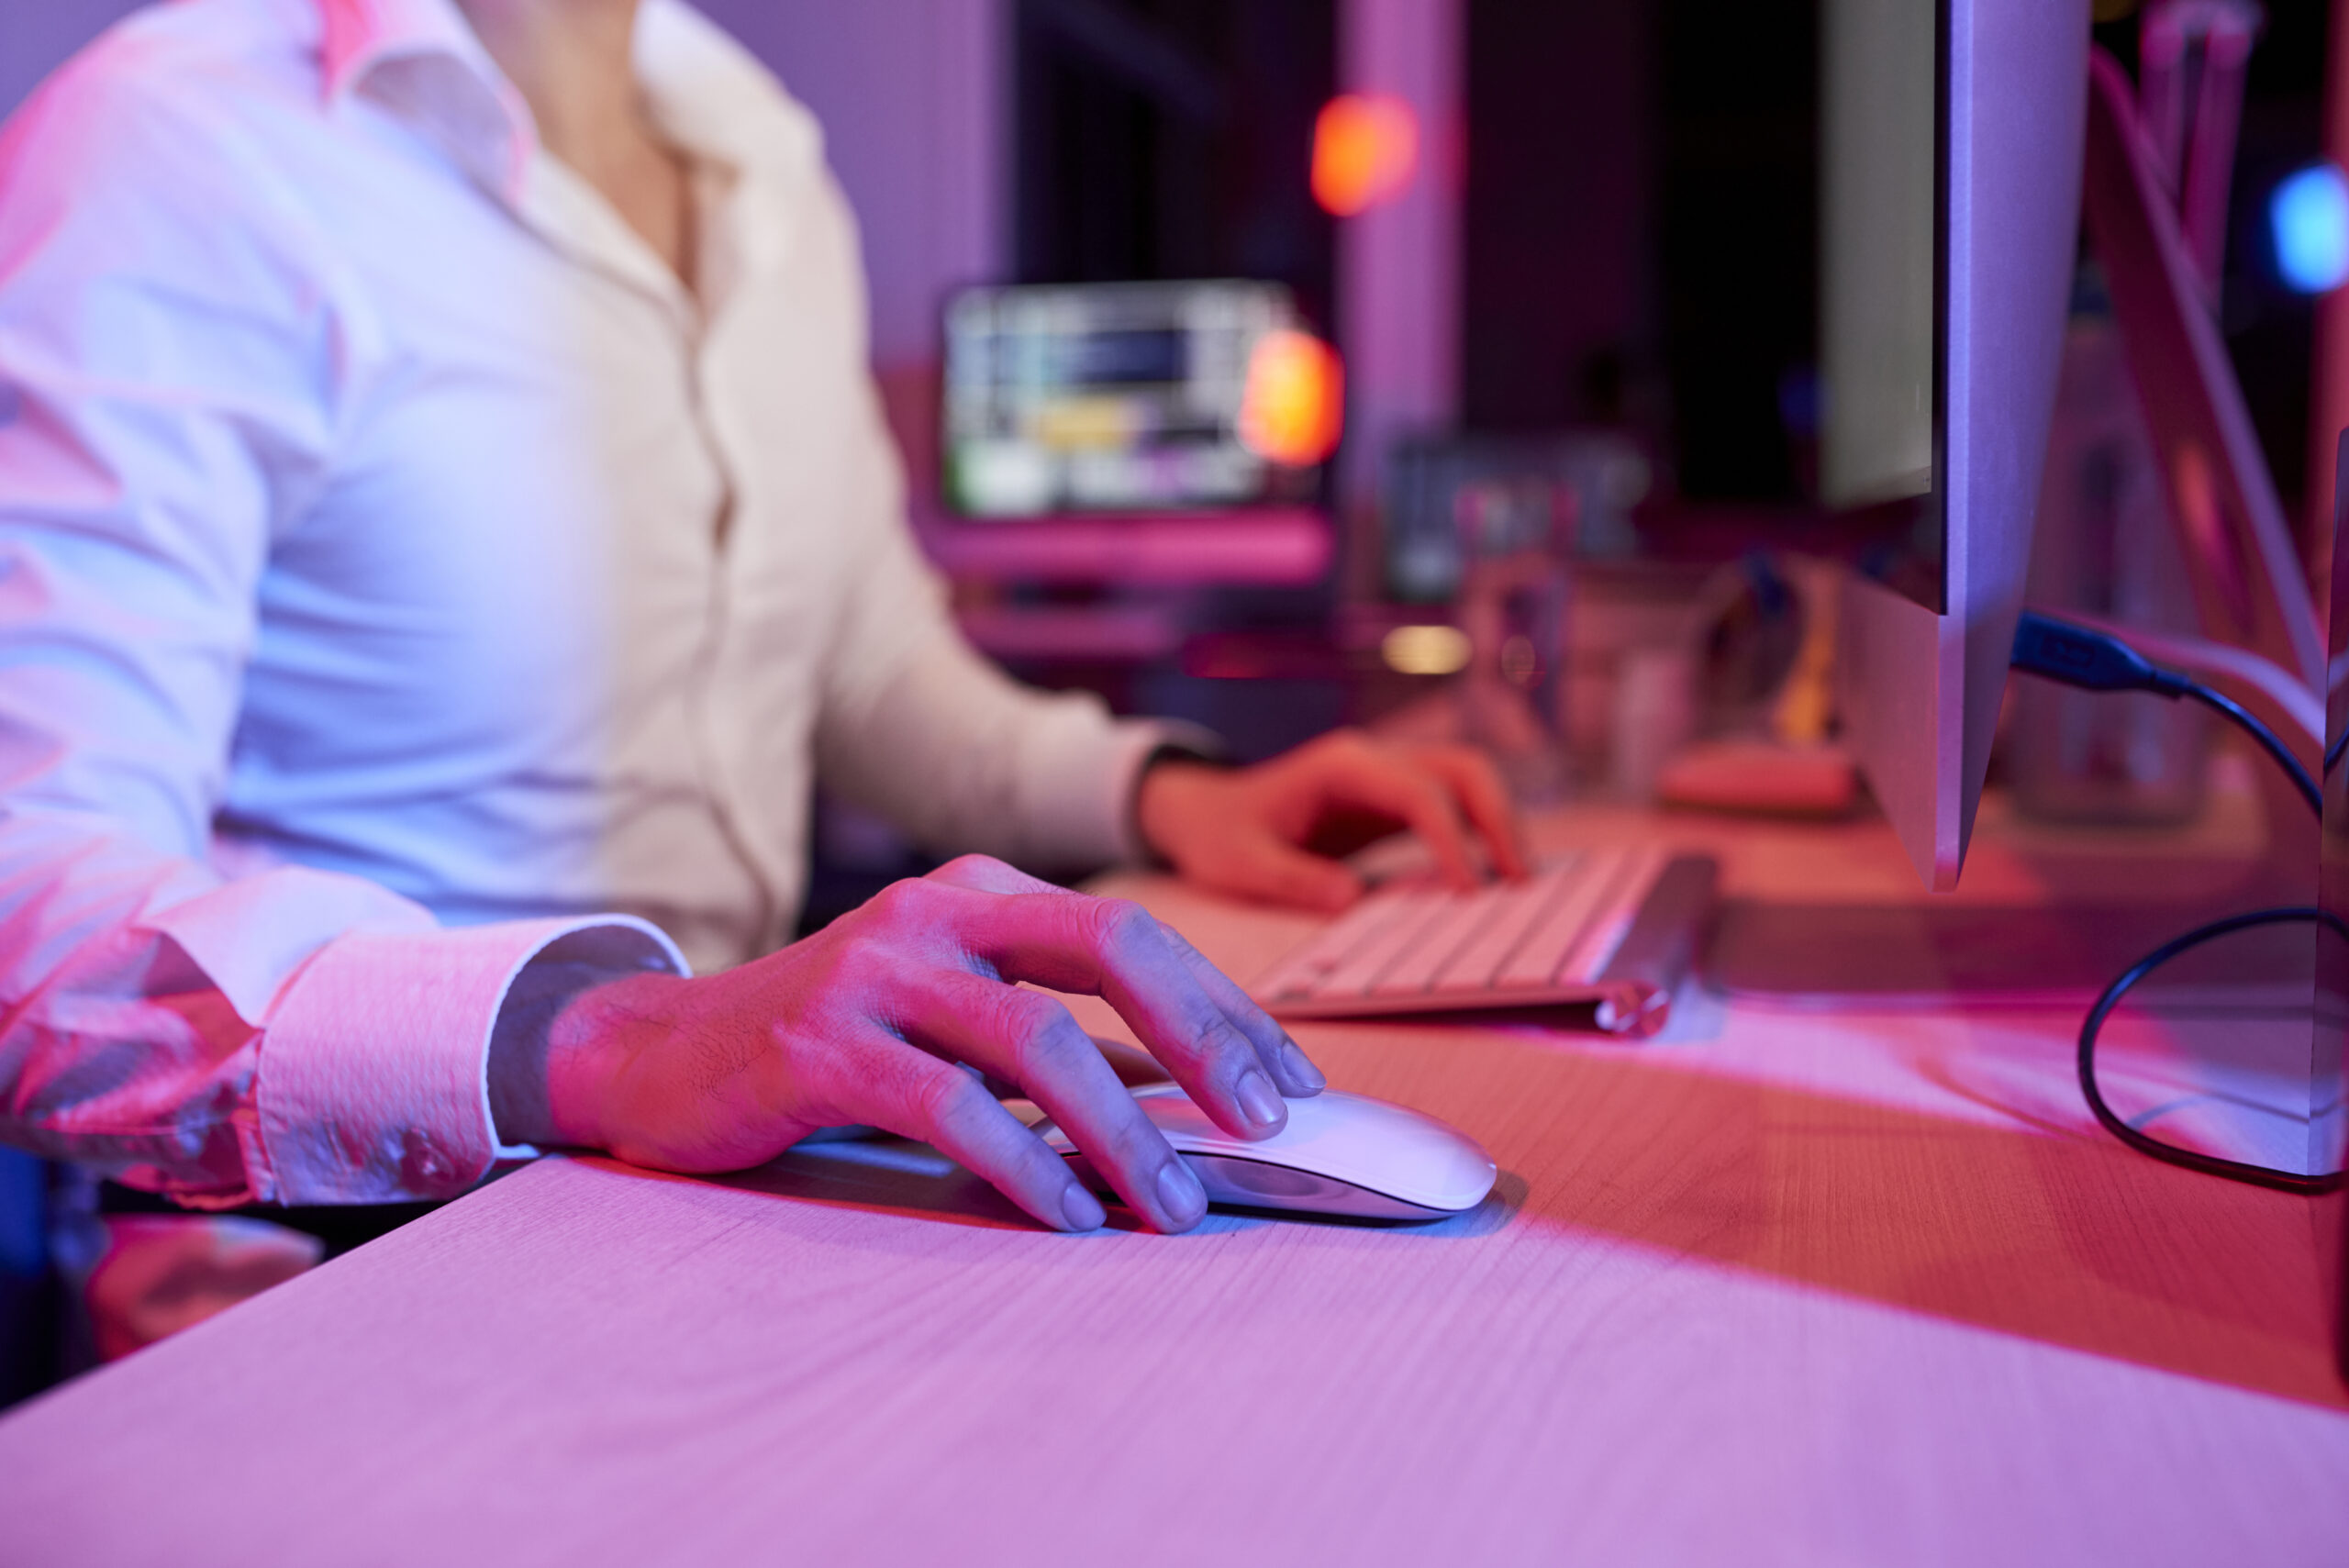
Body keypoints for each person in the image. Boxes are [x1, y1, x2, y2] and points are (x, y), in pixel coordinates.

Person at [0, 0, 1520, 1240]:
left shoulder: (764, 156)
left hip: (726, 1170)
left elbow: (866, 662)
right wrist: (624, 1038)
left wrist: (1164, 792)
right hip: (330, 1218)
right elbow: (29, 897)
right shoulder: (176, 148)